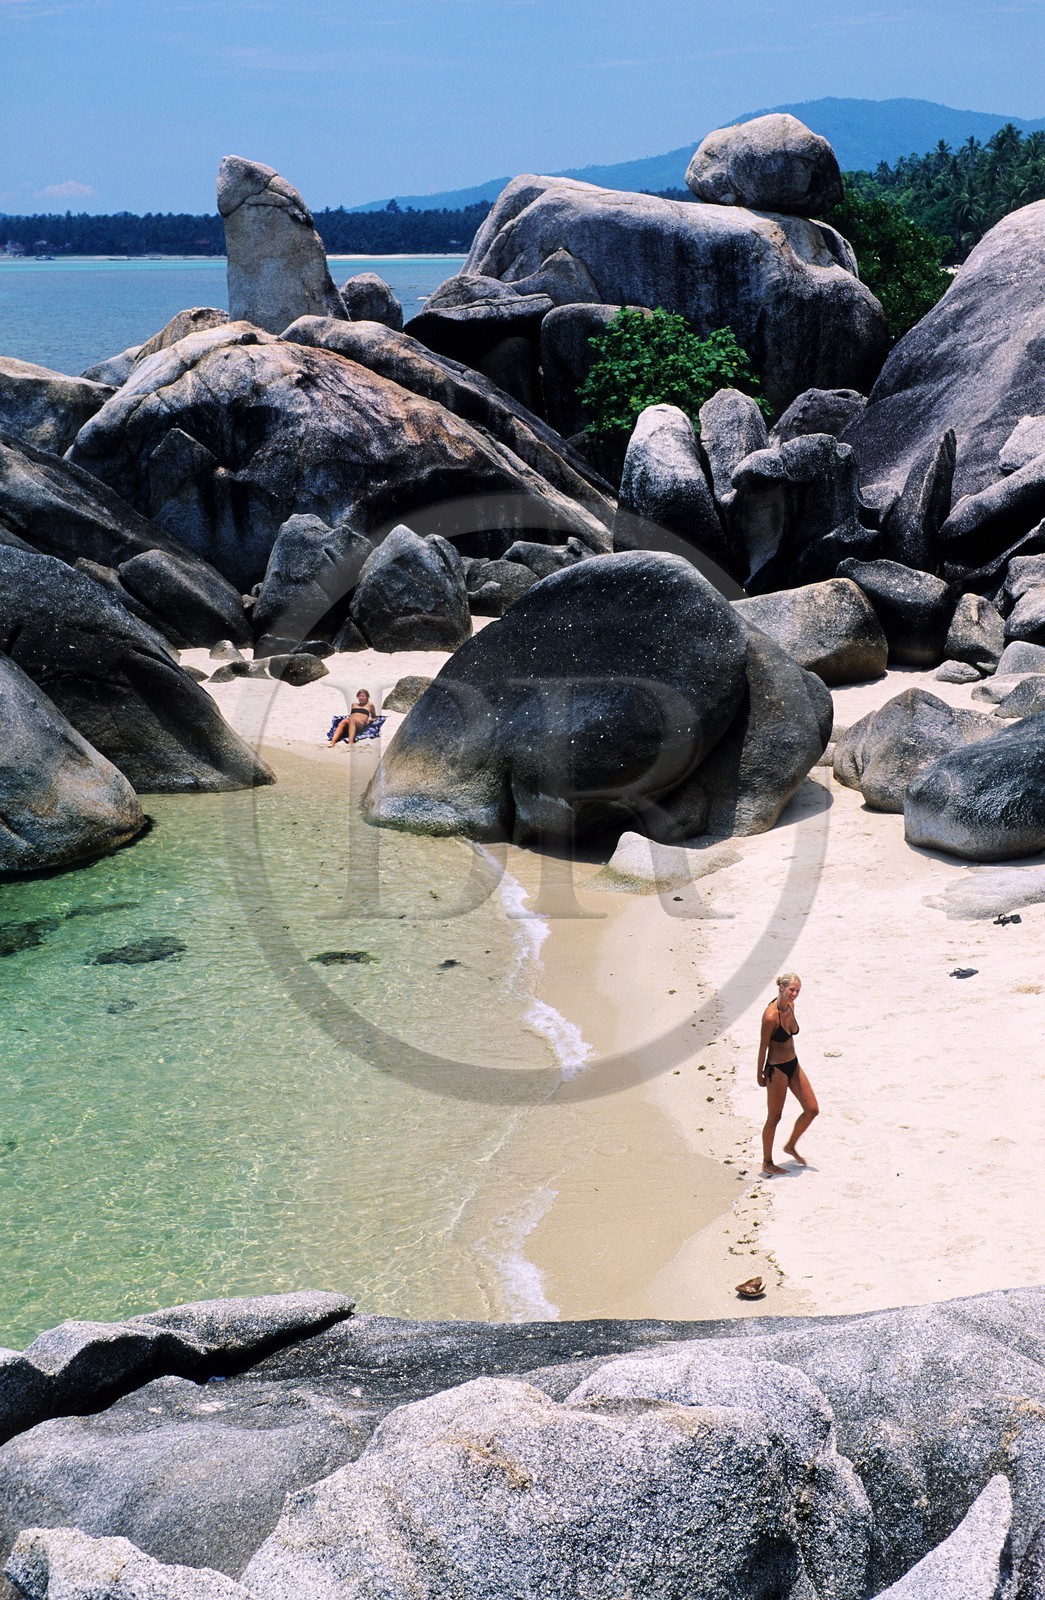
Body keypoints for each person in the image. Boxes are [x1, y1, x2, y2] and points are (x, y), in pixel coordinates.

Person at [757, 971, 819, 1176]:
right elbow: (763, 1047)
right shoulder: (770, 1016)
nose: (794, 994)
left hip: (793, 1064)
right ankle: (767, 1162)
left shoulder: (791, 1006)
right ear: (781, 988)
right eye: (792, 990)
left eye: (797, 991)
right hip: (776, 1070)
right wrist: (760, 1074)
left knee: (812, 1109)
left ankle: (790, 1145)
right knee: (774, 1117)